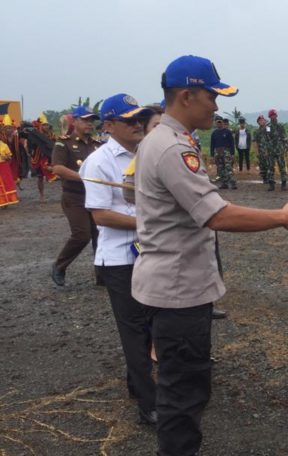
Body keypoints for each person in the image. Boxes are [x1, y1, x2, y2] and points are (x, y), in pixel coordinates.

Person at [132, 55, 288, 456]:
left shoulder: (169, 141)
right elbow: (216, 214)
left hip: (177, 286)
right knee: (183, 395)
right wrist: (282, 218)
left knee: (186, 387)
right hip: (177, 291)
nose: (216, 107)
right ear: (187, 95)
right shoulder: (171, 148)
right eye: (211, 97)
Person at [80, 93, 157, 425]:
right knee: (134, 330)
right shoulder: (98, 162)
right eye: (129, 120)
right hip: (120, 259)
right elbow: (100, 215)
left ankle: (136, 384)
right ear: (109, 125)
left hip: (150, 252)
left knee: (153, 326)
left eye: (139, 118)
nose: (137, 124)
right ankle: (149, 405)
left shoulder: (148, 154)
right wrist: (149, 223)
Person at [50, 106, 101, 286]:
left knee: (100, 236)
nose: (89, 124)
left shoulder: (98, 145)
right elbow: (57, 168)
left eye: (91, 120)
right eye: (85, 120)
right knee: (82, 235)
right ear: (75, 121)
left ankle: (102, 276)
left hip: (96, 196)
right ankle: (59, 266)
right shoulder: (63, 143)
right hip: (75, 197)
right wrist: (83, 177)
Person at [210, 116, 236, 189]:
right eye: (217, 122)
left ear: (222, 122)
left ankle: (232, 183)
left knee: (228, 168)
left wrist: (232, 153)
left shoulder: (227, 132)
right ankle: (224, 184)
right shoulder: (214, 133)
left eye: (220, 122)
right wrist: (212, 155)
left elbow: (232, 143)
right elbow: (212, 144)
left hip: (226, 152)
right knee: (220, 168)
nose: (219, 123)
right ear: (215, 123)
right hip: (217, 152)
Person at [266, 109, 288, 191]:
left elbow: (284, 138)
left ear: (276, 116)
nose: (273, 117)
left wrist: (286, 148)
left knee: (282, 167)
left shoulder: (280, 126)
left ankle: (284, 184)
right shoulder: (268, 127)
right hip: (271, 150)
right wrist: (266, 150)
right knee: (270, 168)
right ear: (270, 117)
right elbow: (267, 138)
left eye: (274, 115)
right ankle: (271, 185)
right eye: (272, 115)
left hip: (280, 150)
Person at [0, 136, 19, 208]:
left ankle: (6, 201)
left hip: (3, 166)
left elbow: (9, 157)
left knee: (6, 183)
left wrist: (6, 157)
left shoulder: (4, 145)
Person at [253, 115, 270, 184]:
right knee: (262, 165)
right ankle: (264, 178)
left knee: (269, 165)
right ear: (258, 122)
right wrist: (256, 152)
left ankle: (270, 178)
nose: (262, 121)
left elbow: (271, 139)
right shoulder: (257, 131)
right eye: (260, 120)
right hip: (261, 151)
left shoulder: (268, 129)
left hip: (269, 150)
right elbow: (255, 142)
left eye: (263, 120)